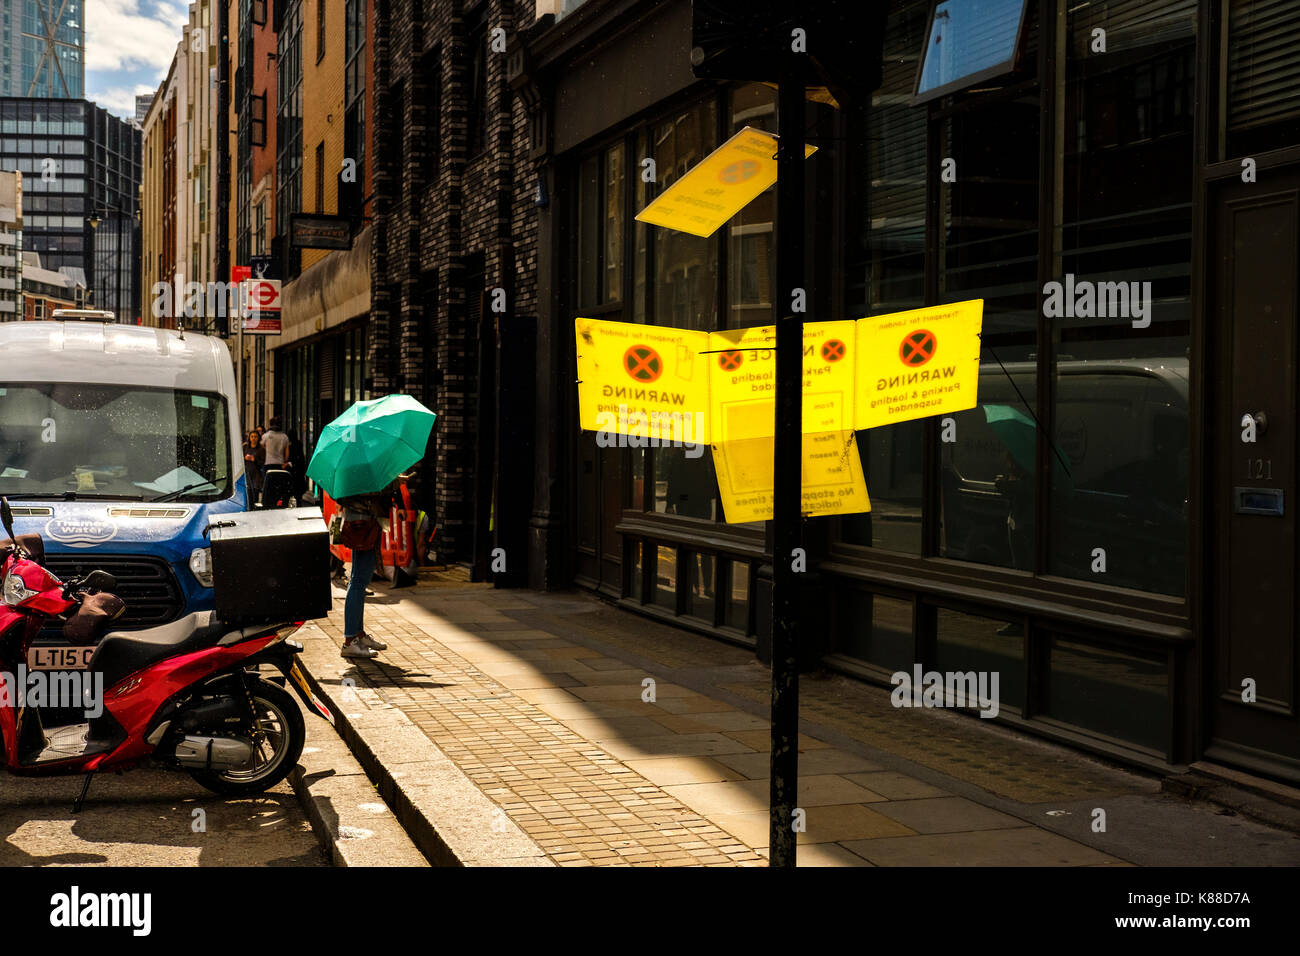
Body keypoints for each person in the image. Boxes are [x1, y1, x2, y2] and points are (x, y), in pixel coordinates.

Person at [336, 482, 400, 660]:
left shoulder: (352, 466)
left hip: (361, 522)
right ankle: (350, 641)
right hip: (364, 524)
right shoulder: (362, 469)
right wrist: (393, 483)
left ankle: (358, 635)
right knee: (358, 582)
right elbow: (372, 492)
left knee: (358, 580)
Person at [261, 417, 290, 488]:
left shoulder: (265, 436)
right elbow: (287, 453)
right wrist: (285, 461)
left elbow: (261, 448)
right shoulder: (284, 437)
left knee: (268, 484)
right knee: (278, 484)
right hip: (280, 464)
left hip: (268, 463)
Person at [242, 430, 265, 505]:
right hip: (247, 473)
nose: (253, 438)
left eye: (255, 437)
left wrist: (254, 459)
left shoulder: (261, 449)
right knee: (247, 492)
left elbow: (262, 463)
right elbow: (240, 459)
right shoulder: (245, 447)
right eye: (252, 436)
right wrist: (244, 458)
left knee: (255, 492)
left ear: (258, 438)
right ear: (249, 438)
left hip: (256, 474)